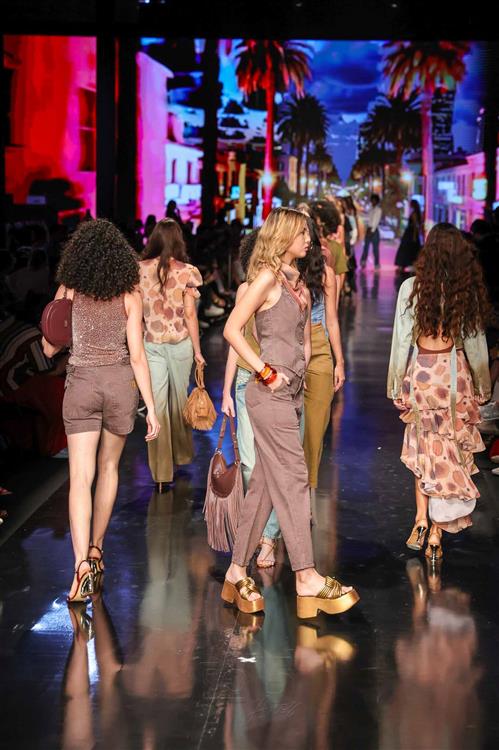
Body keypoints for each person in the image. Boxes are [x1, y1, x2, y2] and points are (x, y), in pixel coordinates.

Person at [221, 207, 359, 618]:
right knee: (296, 480)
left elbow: (303, 339)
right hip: (268, 396)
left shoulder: (297, 282)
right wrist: (264, 371)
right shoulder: (265, 278)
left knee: (264, 488)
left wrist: (302, 373)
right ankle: (306, 575)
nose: (308, 239)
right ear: (283, 236)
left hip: (291, 394)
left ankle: (235, 571)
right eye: (301, 233)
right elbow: (232, 329)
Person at [42, 219, 160, 603]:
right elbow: (138, 356)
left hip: (81, 385)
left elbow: (48, 348)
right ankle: (96, 550)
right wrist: (152, 408)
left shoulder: (69, 290)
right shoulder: (130, 294)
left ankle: (80, 567)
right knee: (109, 469)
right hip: (119, 386)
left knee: (80, 477)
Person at [387, 223, 492, 562]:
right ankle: (435, 532)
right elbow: (475, 343)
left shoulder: (412, 288)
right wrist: (483, 385)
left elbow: (402, 340)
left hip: (421, 373)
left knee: (423, 450)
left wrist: (395, 384)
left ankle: (420, 519)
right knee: (448, 452)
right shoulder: (464, 291)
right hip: (453, 376)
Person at [221, 230, 281, 569]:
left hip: (277, 383)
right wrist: (226, 390)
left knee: (271, 461)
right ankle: (259, 530)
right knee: (248, 463)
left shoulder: (286, 289)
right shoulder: (246, 290)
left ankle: (268, 536)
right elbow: (236, 340)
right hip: (247, 381)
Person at [139, 218, 205, 490]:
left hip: (151, 344)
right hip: (180, 345)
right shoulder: (187, 272)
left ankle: (161, 474)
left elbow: (135, 314)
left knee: (156, 408)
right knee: (179, 403)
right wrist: (198, 352)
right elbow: (190, 314)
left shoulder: (139, 270)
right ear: (179, 239)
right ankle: (180, 456)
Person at [302, 217, 346, 488]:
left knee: (316, 426)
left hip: (319, 347)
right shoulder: (279, 271)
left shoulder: (325, 273)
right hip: (286, 347)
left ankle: (306, 486)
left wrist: (339, 361)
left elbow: (332, 319)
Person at [395, 200, 422, 272]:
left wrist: (414, 236)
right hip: (411, 233)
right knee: (410, 249)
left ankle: (402, 266)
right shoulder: (416, 213)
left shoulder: (414, 213)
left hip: (411, 233)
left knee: (406, 249)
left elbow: (415, 225)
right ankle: (404, 266)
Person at [360, 194, 382, 270]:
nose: (372, 201)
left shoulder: (378, 210)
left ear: (377, 201)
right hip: (369, 229)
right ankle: (363, 262)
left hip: (374, 231)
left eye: (374, 200)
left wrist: (372, 230)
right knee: (366, 247)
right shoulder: (371, 209)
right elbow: (368, 219)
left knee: (375, 249)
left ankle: (376, 264)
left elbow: (376, 221)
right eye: (372, 200)